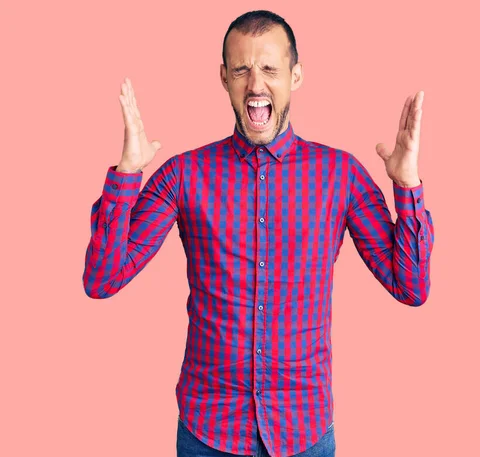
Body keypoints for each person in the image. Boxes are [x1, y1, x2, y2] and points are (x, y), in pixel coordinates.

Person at [82, 9, 434, 457]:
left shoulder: (341, 175)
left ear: (296, 76)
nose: (255, 84)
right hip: (207, 430)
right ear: (224, 77)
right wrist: (126, 174)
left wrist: (407, 185)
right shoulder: (183, 175)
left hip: (303, 430)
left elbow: (411, 288)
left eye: (270, 68)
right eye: (242, 69)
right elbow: (101, 280)